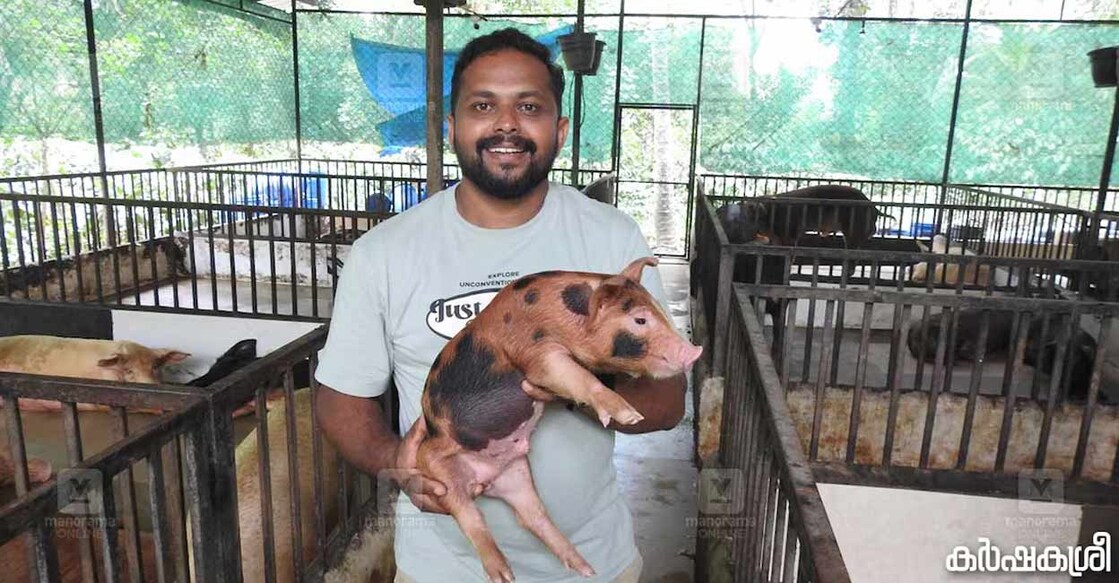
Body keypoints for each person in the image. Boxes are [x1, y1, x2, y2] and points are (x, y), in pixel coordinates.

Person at [314, 27, 688, 583]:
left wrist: (567, 384)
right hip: (442, 569)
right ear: (452, 127)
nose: (507, 124)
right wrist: (394, 461)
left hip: (593, 565)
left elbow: (667, 403)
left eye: (529, 106)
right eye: (483, 105)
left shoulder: (610, 239)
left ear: (559, 130)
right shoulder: (384, 253)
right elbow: (342, 398)